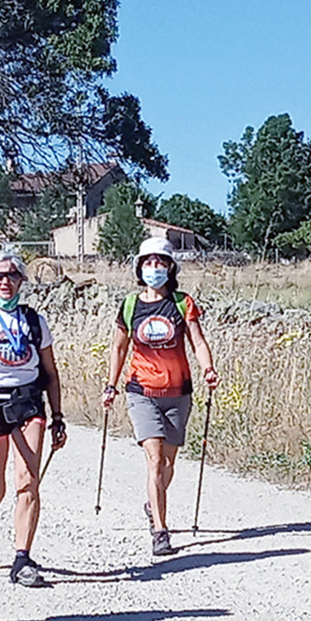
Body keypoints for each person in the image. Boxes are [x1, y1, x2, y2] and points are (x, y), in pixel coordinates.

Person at [0, 250, 67, 586]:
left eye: (12, 275)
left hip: (28, 405)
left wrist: (58, 415)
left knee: (28, 482)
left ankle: (22, 559)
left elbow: (51, 372)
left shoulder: (35, 321)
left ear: (22, 280)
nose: (5, 282)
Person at [103, 237, 218, 557]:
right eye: (149, 262)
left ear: (170, 267)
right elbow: (118, 348)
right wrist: (111, 385)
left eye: (161, 262)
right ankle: (160, 531)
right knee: (154, 460)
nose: (155, 268)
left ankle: (152, 503)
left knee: (168, 463)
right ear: (139, 268)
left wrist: (208, 368)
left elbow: (197, 341)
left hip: (179, 392)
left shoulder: (183, 303)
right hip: (142, 391)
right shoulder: (130, 305)